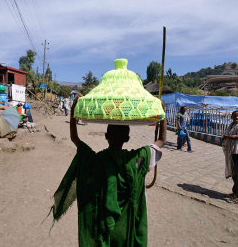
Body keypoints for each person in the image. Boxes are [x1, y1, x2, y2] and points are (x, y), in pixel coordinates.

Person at [51, 97, 165, 246]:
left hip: (103, 231)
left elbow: (74, 138)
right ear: (128, 138)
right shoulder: (137, 160)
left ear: (106, 136)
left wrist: (73, 110)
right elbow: (161, 140)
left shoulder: (96, 161)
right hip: (127, 231)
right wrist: (162, 113)